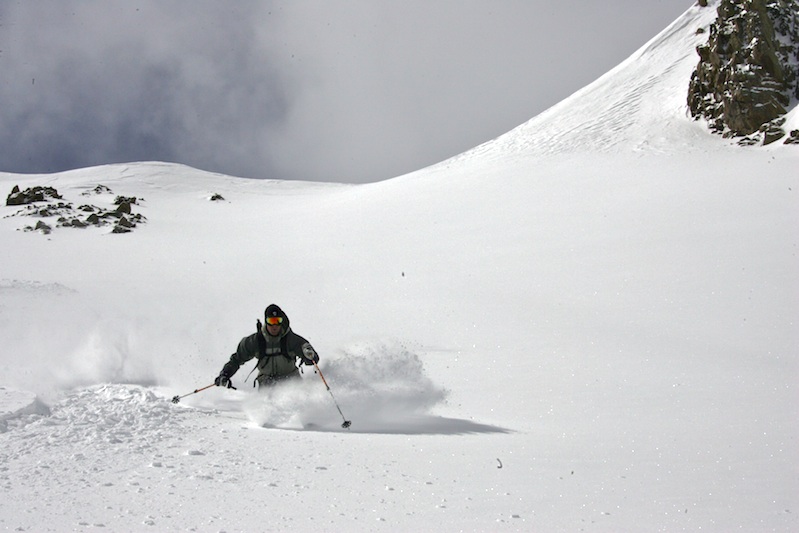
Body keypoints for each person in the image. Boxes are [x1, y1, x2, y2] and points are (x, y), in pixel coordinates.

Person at [215, 304, 319, 388]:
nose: (274, 326)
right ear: (266, 321)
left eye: (278, 321)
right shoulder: (255, 341)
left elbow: (312, 356)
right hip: (267, 382)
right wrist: (225, 374)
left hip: (291, 379)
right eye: (271, 321)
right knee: (269, 402)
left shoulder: (291, 339)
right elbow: (237, 359)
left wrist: (310, 357)